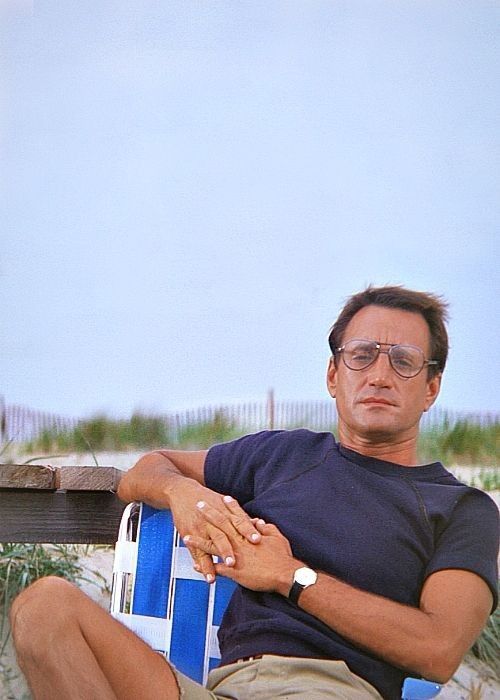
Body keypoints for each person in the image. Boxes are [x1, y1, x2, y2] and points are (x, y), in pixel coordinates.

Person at [9, 286, 498, 700]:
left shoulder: (459, 509)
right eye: (362, 355)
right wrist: (186, 496)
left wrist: (291, 576)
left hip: (331, 690)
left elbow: (438, 650)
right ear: (334, 375)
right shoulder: (280, 456)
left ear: (432, 388)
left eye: (404, 361)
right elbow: (144, 470)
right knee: (44, 609)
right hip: (224, 688)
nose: (379, 375)